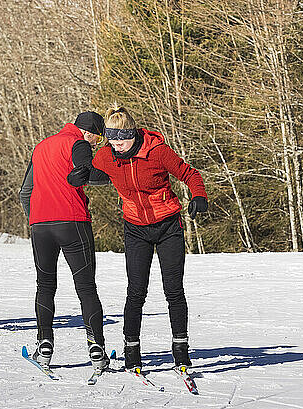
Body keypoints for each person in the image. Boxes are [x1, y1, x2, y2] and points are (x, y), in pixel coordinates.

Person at [68, 105, 208, 370]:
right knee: (136, 291)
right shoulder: (107, 155)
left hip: (168, 226)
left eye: (123, 140)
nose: (118, 146)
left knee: (173, 290)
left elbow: (190, 174)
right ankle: (131, 349)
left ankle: (181, 348)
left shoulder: (157, 152)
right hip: (134, 228)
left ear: (134, 134)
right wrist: (80, 175)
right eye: (113, 140)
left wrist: (199, 195)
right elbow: (91, 173)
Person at [19, 111, 109, 372]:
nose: (95, 145)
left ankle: (44, 344)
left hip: (41, 226)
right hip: (72, 222)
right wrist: (112, 174)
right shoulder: (78, 144)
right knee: (86, 287)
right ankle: (96, 348)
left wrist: (35, 218)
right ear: (89, 132)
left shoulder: (41, 146)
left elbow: (25, 191)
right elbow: (88, 173)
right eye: (97, 140)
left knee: (45, 285)